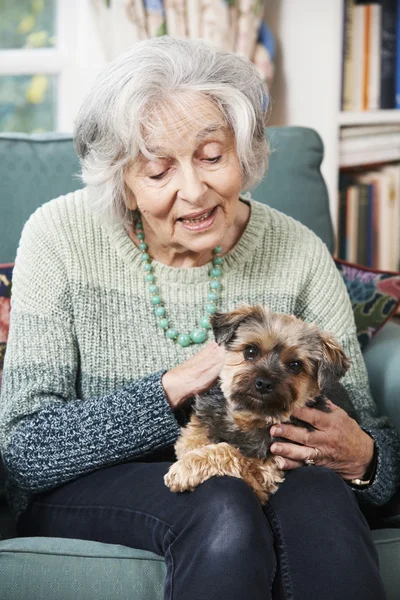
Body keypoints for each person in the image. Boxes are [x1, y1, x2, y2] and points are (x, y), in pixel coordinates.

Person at [0, 36, 398, 600]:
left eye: (213, 157)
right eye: (159, 171)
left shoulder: (299, 252)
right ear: (123, 183)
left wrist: (367, 459)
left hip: (265, 461)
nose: (194, 190)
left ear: (244, 153)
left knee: (323, 498)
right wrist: (174, 387)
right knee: (221, 498)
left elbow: (373, 443)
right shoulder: (59, 237)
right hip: (85, 485)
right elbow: (25, 451)